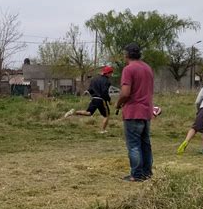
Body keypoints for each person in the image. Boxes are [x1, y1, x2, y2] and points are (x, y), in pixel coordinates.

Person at [116, 43, 154, 182]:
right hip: (146, 111)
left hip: (133, 112)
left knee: (134, 145)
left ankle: (136, 175)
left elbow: (125, 93)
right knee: (145, 144)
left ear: (126, 55)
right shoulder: (148, 68)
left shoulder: (129, 69)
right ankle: (147, 173)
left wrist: (118, 103)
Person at [64, 65, 114, 133]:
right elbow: (104, 92)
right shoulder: (107, 81)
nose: (111, 75)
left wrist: (87, 91)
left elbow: (91, 89)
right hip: (101, 100)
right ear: (108, 73)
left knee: (89, 113)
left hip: (94, 99)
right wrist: (109, 100)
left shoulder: (94, 79)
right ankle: (103, 130)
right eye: (111, 73)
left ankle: (73, 112)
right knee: (107, 115)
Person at [177, 77, 203, 154]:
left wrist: (199, 110)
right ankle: (202, 149)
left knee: (194, 128)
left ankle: (186, 142)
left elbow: (198, 101)